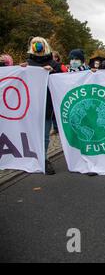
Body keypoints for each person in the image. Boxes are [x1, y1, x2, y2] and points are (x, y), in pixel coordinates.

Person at [20, 37, 62, 175]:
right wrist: (20, 71)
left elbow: (63, 83)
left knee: (44, 135)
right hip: (30, 106)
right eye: (34, 44)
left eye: (39, 43)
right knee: (30, 133)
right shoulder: (27, 64)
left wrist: (53, 73)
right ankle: (31, 157)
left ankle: (43, 158)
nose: (37, 46)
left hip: (47, 106)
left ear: (45, 46)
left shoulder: (54, 64)